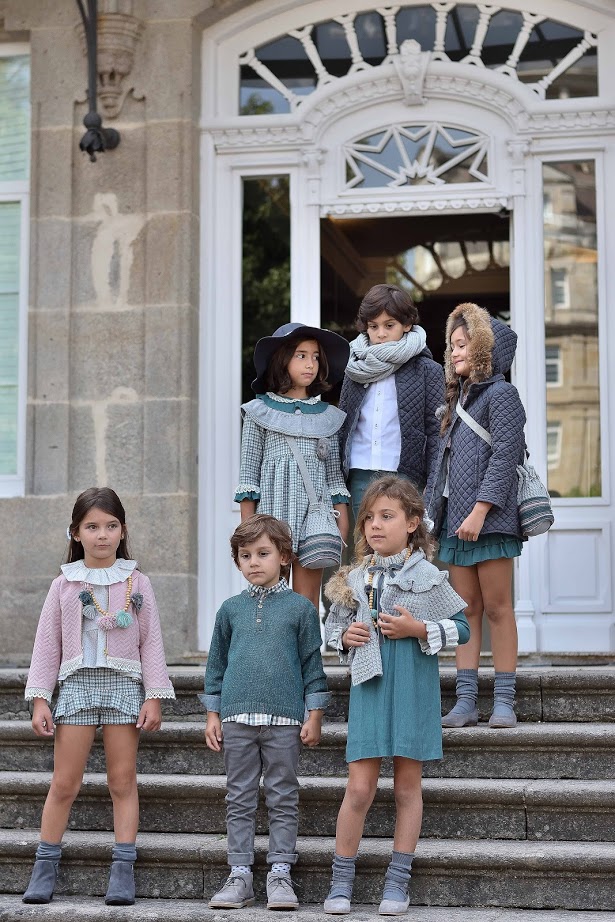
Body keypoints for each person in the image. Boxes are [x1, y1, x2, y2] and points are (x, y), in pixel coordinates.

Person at [323, 475, 469, 915]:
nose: (375, 525)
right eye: (369, 517)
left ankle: (398, 882)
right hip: (369, 689)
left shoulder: (427, 575)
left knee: (407, 787)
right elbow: (331, 630)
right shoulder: (352, 578)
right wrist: (344, 637)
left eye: (387, 516)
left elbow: (462, 629)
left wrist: (417, 628)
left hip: (412, 688)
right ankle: (341, 881)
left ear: (412, 523)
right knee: (359, 788)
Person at [22, 487, 175, 906]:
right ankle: (44, 865)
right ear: (76, 533)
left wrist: (154, 694)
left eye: (110, 526)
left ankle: (122, 869)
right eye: (92, 527)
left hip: (124, 685)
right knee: (64, 782)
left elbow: (151, 640)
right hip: (77, 685)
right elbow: (47, 644)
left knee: (122, 780)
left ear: (122, 530)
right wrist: (40, 697)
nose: (102, 534)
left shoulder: (137, 582)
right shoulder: (64, 585)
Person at [202, 514, 330, 911]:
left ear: (284, 557)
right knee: (239, 796)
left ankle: (280, 874)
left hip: (285, 721)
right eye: (245, 555)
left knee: (283, 795)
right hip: (237, 719)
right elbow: (216, 666)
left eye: (263, 553)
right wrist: (213, 714)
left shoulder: (301, 610)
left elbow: (312, 667)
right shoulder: (229, 610)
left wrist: (314, 714)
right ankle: (240, 874)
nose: (254, 562)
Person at [425, 302, 526, 730]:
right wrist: (431, 517)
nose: (454, 352)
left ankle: (504, 701)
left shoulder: (503, 395)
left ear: (485, 348)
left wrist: (481, 510)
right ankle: (466, 701)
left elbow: (505, 457)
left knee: (498, 608)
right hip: (455, 522)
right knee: (465, 611)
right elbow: (441, 466)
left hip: (491, 521)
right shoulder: (455, 399)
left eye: (463, 344)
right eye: (452, 346)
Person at [235, 322, 351, 610]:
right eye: (301, 355)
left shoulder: (328, 417)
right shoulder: (258, 413)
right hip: (271, 523)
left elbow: (335, 480)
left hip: (314, 522)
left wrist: (341, 526)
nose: (310, 364)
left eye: (315, 356)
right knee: (270, 603)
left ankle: (308, 644)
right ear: (282, 359)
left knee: (307, 603)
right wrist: (249, 535)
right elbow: (248, 479)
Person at [338, 284, 444, 521]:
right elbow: (343, 426)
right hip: (360, 471)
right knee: (368, 540)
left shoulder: (427, 370)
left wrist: (432, 484)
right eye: (373, 326)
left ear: (407, 325)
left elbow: (437, 432)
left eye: (389, 325)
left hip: (406, 473)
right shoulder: (355, 367)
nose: (381, 334)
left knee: (405, 541)